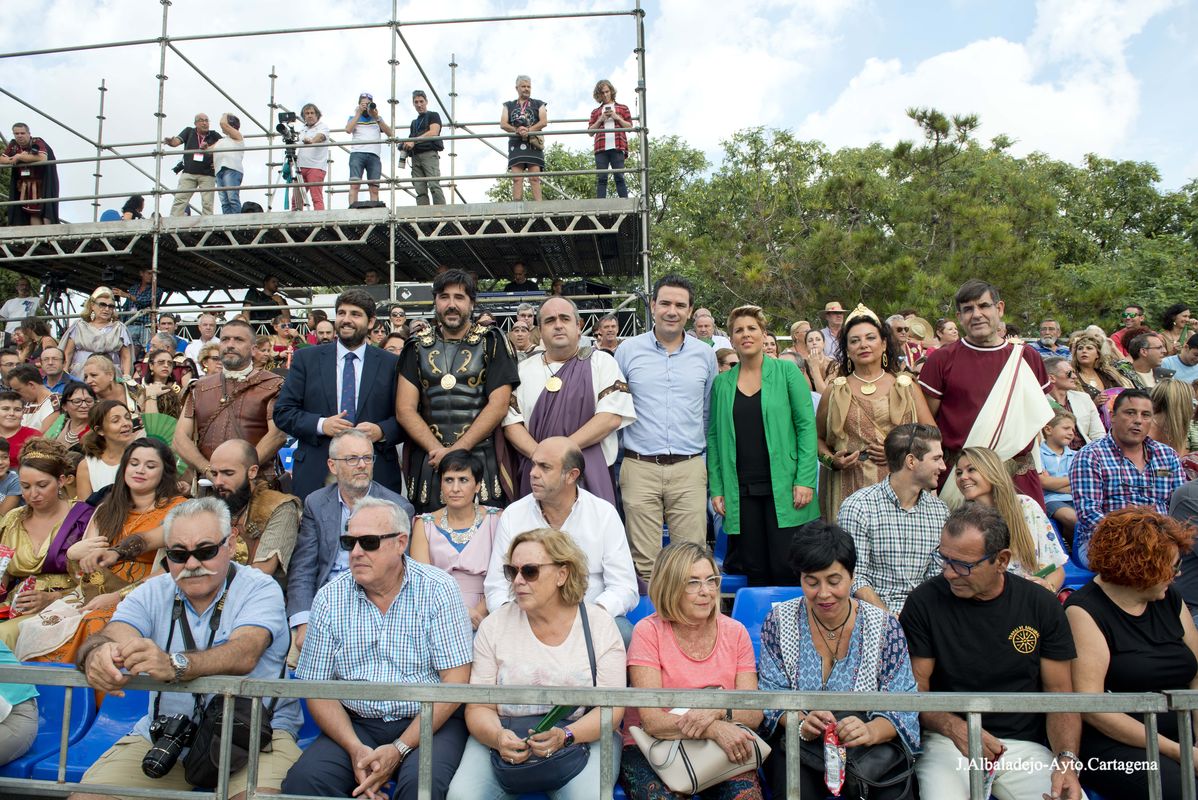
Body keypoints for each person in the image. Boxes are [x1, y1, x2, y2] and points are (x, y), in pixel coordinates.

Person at [72, 497, 302, 800]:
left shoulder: (259, 587)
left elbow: (245, 652)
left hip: (256, 735)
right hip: (168, 735)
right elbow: (111, 636)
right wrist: (97, 656)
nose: (192, 564)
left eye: (205, 551)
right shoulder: (152, 591)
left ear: (231, 543)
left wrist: (175, 665)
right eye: (178, 554)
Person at [281, 497, 472, 800]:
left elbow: (455, 682)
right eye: (349, 542)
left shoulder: (438, 589)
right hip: (356, 723)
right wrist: (355, 749)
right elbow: (315, 687)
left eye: (369, 542)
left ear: (401, 543)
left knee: (422, 787)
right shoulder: (330, 598)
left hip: (428, 721)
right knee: (303, 783)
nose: (356, 553)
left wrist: (399, 749)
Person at [900, 504, 1083, 800]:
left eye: (963, 565)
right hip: (949, 740)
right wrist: (953, 726)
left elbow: (1060, 695)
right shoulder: (924, 602)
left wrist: (1066, 761)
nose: (949, 573)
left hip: (1024, 745)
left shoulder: (1041, 605)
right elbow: (915, 692)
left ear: (1002, 560)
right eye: (944, 559)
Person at [449, 527, 627, 800]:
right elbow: (478, 706)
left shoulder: (599, 625)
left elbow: (611, 709)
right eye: (512, 572)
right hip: (504, 733)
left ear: (562, 574)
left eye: (530, 571)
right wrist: (498, 737)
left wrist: (566, 735)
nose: (518, 580)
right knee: (462, 797)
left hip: (580, 735)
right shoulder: (494, 626)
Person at [759, 524, 920, 800]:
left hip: (870, 749)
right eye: (812, 582)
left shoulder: (884, 627)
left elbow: (903, 702)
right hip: (802, 745)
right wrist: (801, 722)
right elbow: (770, 694)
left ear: (852, 576)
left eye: (834, 581)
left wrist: (869, 731)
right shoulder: (779, 621)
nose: (823, 593)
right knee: (792, 785)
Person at [1064, 507, 1198, 798]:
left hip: (1182, 733)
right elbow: (1093, 707)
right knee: (1183, 789)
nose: (1178, 575)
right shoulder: (1083, 610)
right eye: (1173, 567)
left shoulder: (1169, 598)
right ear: (1142, 568)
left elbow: (1197, 675)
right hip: (1117, 745)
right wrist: (1179, 750)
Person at [622, 542, 763, 800]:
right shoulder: (647, 632)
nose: (706, 591)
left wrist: (717, 712)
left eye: (711, 581)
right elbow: (652, 721)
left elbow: (753, 712)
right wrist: (713, 727)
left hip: (719, 748)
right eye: (693, 583)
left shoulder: (736, 632)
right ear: (670, 586)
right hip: (653, 745)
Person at [616, 275, 717, 581]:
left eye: (680, 305)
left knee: (691, 561)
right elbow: (617, 409)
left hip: (689, 469)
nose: (672, 311)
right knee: (644, 566)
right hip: (639, 467)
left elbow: (707, 412)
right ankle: (651, 615)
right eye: (665, 303)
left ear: (690, 311)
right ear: (652, 306)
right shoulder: (627, 351)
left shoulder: (705, 355)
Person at [483, 437, 637, 636]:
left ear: (571, 475)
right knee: (488, 634)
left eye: (545, 467)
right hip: (527, 621)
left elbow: (624, 587)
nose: (533, 473)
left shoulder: (603, 514)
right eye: (533, 464)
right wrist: (518, 620)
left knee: (623, 632)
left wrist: (592, 615)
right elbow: (496, 587)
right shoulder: (514, 514)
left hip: (589, 619)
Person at [919, 279, 1053, 508]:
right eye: (968, 309)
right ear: (959, 317)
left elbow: (1036, 418)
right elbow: (927, 424)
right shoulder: (941, 359)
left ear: (999, 308)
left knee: (1021, 532)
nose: (977, 314)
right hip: (961, 479)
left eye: (983, 306)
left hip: (1017, 476)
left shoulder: (1026, 357)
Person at [708, 305, 817, 586]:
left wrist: (805, 479)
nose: (746, 334)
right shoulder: (722, 384)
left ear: (764, 334)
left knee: (788, 567)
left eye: (752, 328)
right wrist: (717, 487)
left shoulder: (786, 372)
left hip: (786, 487)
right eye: (739, 330)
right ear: (731, 339)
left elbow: (806, 427)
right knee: (754, 570)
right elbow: (715, 438)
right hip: (741, 491)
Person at [53, 439, 186, 664]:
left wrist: (117, 596)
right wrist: (74, 555)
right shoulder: (107, 509)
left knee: (94, 624)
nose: (140, 470)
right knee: (33, 628)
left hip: (147, 595)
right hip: (94, 592)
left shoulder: (179, 510)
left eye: (150, 466)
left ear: (165, 472)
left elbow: (170, 570)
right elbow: (84, 569)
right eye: (134, 463)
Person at [396, 271, 519, 512]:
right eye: (444, 297)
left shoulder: (492, 341)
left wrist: (456, 451)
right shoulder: (415, 346)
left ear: (472, 303)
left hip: (481, 460)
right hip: (430, 462)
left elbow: (499, 405)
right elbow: (404, 409)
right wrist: (438, 451)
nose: (451, 304)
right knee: (427, 531)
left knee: (486, 531)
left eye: (459, 297)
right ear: (435, 301)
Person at [286, 428, 413, 652]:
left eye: (367, 458)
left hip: (376, 605)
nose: (362, 465)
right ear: (332, 466)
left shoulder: (397, 508)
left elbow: (401, 575)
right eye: (352, 459)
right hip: (325, 604)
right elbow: (303, 569)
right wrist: (304, 622)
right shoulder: (316, 503)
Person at [503, 296, 634, 503]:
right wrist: (543, 458)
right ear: (540, 330)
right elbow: (511, 424)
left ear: (578, 326)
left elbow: (610, 417)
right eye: (550, 321)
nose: (558, 325)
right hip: (537, 472)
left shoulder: (601, 362)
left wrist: (557, 454)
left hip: (588, 469)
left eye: (565, 319)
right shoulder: (522, 371)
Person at [274, 289, 403, 499]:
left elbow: (407, 416)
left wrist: (381, 431)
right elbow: (283, 412)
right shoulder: (306, 359)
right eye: (341, 313)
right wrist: (321, 424)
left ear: (371, 322)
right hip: (318, 472)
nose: (346, 320)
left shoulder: (392, 364)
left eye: (355, 314)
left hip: (376, 473)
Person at [816, 306, 935, 519]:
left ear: (884, 343)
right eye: (855, 340)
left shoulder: (906, 386)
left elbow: (932, 436)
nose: (863, 344)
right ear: (847, 350)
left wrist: (898, 452)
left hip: (900, 484)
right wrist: (832, 461)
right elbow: (816, 439)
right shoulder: (835, 391)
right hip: (847, 487)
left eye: (870, 338)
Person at [838, 423, 948, 614]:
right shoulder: (859, 506)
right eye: (937, 458)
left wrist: (917, 619)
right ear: (911, 461)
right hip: (871, 616)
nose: (943, 466)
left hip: (922, 616)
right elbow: (854, 577)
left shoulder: (941, 511)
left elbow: (936, 578)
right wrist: (889, 619)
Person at [1071, 388, 1186, 566]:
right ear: (1113, 417)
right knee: (1141, 564)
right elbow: (1089, 514)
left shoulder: (1167, 455)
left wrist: (1163, 540)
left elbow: (1179, 507)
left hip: (1161, 542)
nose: (1138, 420)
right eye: (1130, 413)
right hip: (1108, 541)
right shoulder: (1091, 455)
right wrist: (1136, 540)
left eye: (1145, 415)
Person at [0, 438, 92, 650]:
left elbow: (97, 580)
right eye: (25, 487)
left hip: (68, 603)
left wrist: (53, 597)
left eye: (42, 485)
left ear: (61, 481)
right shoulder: (13, 519)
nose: (33, 494)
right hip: (16, 604)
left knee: (4, 634)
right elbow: (5, 570)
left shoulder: (83, 518)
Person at [173, 318, 286, 478]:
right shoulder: (199, 387)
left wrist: (241, 472)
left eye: (239, 340)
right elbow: (180, 438)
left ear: (254, 349)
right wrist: (208, 470)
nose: (230, 345)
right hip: (208, 483)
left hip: (256, 482)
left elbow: (277, 436)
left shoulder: (273, 385)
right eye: (225, 339)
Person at [954, 447, 1067, 592]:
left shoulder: (1026, 507)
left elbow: (1056, 570)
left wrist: (1047, 587)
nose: (963, 477)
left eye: (971, 470)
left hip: (1030, 597)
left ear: (992, 471)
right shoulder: (962, 521)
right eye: (959, 473)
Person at [410, 452, 501, 630]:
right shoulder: (424, 524)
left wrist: (479, 613)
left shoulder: (496, 519)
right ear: (441, 484)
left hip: (490, 611)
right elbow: (422, 583)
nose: (455, 488)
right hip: (438, 614)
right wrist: (457, 613)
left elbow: (505, 576)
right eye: (449, 480)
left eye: (463, 480)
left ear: (477, 485)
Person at [210, 439, 300, 583]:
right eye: (214, 474)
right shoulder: (209, 508)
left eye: (228, 473)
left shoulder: (279, 507)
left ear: (252, 472)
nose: (218, 482)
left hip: (255, 593)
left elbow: (261, 572)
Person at [60, 287, 132, 379]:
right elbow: (68, 353)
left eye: (110, 306)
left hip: (110, 376)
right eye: (102, 305)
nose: (107, 309)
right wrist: (65, 373)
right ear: (92, 306)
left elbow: (126, 356)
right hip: (80, 375)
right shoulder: (79, 326)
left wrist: (126, 376)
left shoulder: (119, 328)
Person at [500, 75, 549, 202]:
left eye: (528, 86)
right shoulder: (508, 105)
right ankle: (517, 208)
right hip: (516, 144)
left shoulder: (539, 103)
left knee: (534, 178)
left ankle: (539, 207)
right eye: (523, 86)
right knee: (517, 179)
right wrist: (516, 130)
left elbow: (544, 121)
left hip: (533, 143)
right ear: (517, 88)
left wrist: (529, 130)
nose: (526, 89)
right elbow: (503, 124)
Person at [0, 123, 60, 225]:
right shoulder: (14, 145)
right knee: (32, 212)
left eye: (22, 133)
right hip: (25, 185)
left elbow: (42, 157)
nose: (19, 136)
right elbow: (2, 159)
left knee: (46, 211)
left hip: (43, 184)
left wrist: (20, 157)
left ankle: (49, 234)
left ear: (28, 133)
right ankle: (37, 235)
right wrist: (13, 159)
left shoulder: (37, 142)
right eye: (16, 133)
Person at [163, 112, 221, 216]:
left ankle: (207, 224)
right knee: (180, 199)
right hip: (189, 172)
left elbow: (225, 144)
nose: (204, 123)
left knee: (208, 203)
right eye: (201, 120)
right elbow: (176, 142)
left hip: (208, 174)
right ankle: (173, 221)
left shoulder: (214, 135)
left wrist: (218, 162)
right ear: (195, 123)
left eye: (206, 120)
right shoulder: (189, 131)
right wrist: (171, 142)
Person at [75, 400, 137, 498]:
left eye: (127, 417)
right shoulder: (87, 466)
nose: (126, 423)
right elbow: (85, 505)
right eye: (115, 420)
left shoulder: (142, 456)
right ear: (100, 430)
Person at [1043, 356, 1104, 448]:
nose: (1074, 376)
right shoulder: (1040, 403)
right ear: (1051, 378)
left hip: (1086, 452)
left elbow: (1098, 434)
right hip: (1054, 454)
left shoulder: (1084, 398)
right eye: (1069, 373)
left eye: (1074, 372)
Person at [587, 79, 633, 199]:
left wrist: (616, 117)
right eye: (602, 93)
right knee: (601, 178)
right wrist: (600, 119)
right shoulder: (596, 112)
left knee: (619, 177)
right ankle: (600, 206)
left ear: (611, 91)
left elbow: (629, 127)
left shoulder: (623, 108)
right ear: (599, 95)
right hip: (601, 148)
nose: (605, 95)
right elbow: (590, 132)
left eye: (607, 91)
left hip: (618, 146)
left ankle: (625, 204)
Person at [346, 92, 393, 206]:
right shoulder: (353, 118)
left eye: (368, 104)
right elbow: (348, 129)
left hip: (374, 155)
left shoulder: (377, 118)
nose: (366, 106)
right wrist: (358, 113)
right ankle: (352, 211)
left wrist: (376, 117)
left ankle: (375, 212)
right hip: (357, 154)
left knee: (374, 188)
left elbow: (390, 133)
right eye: (363, 104)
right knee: (354, 185)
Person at [1039, 411, 1079, 547]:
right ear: (1048, 430)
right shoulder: (1038, 453)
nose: (1071, 433)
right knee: (1073, 518)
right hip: (1051, 499)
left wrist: (1052, 483)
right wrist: (1073, 478)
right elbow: (1043, 482)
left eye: (1073, 430)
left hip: (1075, 499)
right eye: (1066, 428)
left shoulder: (1076, 455)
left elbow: (1080, 484)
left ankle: (1074, 550)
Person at [404, 90, 446, 205]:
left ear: (426, 101)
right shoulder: (414, 123)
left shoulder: (433, 115)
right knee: (419, 188)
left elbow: (434, 132)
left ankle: (440, 212)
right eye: (416, 102)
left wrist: (414, 141)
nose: (419, 105)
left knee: (434, 185)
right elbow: (411, 139)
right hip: (415, 157)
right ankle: (423, 215)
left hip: (429, 154)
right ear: (413, 104)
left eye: (421, 101)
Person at [112, 268, 160, 356]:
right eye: (149, 273)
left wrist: (126, 295)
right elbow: (127, 307)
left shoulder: (157, 290)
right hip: (131, 325)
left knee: (148, 353)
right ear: (141, 273)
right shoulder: (133, 289)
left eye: (153, 274)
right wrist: (121, 321)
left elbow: (146, 301)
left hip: (146, 326)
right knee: (130, 354)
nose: (151, 276)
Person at [295, 102, 331, 211]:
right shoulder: (302, 129)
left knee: (316, 198)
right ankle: (295, 220)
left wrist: (311, 141)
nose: (309, 115)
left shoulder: (323, 126)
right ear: (304, 116)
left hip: (316, 167)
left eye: (312, 113)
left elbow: (321, 137)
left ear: (317, 115)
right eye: (307, 113)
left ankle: (319, 220)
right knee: (296, 200)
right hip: (300, 167)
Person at [42, 381, 94, 448]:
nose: (84, 405)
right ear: (64, 406)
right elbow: (44, 445)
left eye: (89, 401)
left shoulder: (97, 428)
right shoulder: (61, 422)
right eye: (77, 401)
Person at [135, 348, 184, 418]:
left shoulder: (180, 390)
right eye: (161, 362)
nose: (166, 365)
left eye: (170, 363)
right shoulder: (138, 385)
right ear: (151, 366)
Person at [211, 113, 245, 214]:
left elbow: (223, 123)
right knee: (224, 201)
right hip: (219, 171)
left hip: (231, 169)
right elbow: (209, 149)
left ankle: (236, 220)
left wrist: (225, 114)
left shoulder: (238, 136)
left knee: (232, 198)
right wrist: (204, 147)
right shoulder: (221, 141)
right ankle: (227, 220)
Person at [8, 363, 58, 430]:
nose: (17, 395)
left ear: (31, 385)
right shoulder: (28, 403)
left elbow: (46, 435)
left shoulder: (55, 403)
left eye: (18, 390)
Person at [0, 390, 39, 473]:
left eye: (17, 410)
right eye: (5, 409)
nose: (11, 413)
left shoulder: (34, 436)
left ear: (23, 413)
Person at [801, 328, 832, 393]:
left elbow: (824, 393)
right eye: (810, 341)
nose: (814, 343)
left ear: (824, 344)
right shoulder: (802, 365)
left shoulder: (834, 365)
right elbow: (808, 392)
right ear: (806, 346)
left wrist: (815, 367)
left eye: (818, 339)